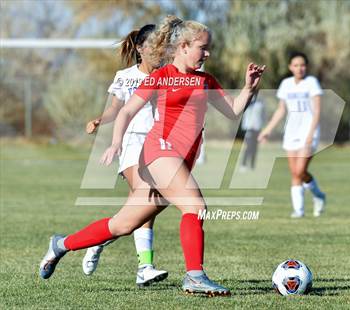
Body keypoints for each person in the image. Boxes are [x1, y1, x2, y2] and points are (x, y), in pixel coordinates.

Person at [39, 15, 265, 296]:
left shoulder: (206, 80)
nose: (207, 53)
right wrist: (116, 142)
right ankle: (195, 276)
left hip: (179, 160)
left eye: (209, 48)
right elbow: (127, 111)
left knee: (122, 225)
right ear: (183, 46)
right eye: (202, 47)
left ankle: (60, 245)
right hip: (159, 153)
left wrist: (248, 88)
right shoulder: (162, 76)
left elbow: (232, 110)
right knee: (195, 207)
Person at [83, 25, 168, 286]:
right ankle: (145, 266)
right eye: (154, 45)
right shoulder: (125, 76)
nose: (160, 51)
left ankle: (97, 239)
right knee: (148, 196)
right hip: (132, 144)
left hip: (161, 146)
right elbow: (115, 109)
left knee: (142, 209)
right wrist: (100, 120)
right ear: (141, 49)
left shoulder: (170, 75)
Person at [258, 52, 326, 218]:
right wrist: (267, 130)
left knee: (300, 170)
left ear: (306, 67)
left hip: (309, 131)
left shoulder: (311, 83)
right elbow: (281, 110)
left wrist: (311, 133)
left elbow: (317, 111)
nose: (299, 68)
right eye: (295, 65)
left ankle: (319, 196)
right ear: (290, 67)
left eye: (302, 65)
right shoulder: (286, 84)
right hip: (291, 132)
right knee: (295, 173)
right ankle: (299, 211)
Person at [240, 91, 265, 171]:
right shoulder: (248, 103)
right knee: (249, 147)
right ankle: (243, 164)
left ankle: (252, 165)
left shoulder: (260, 104)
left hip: (257, 128)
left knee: (255, 147)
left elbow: (263, 116)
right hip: (249, 128)